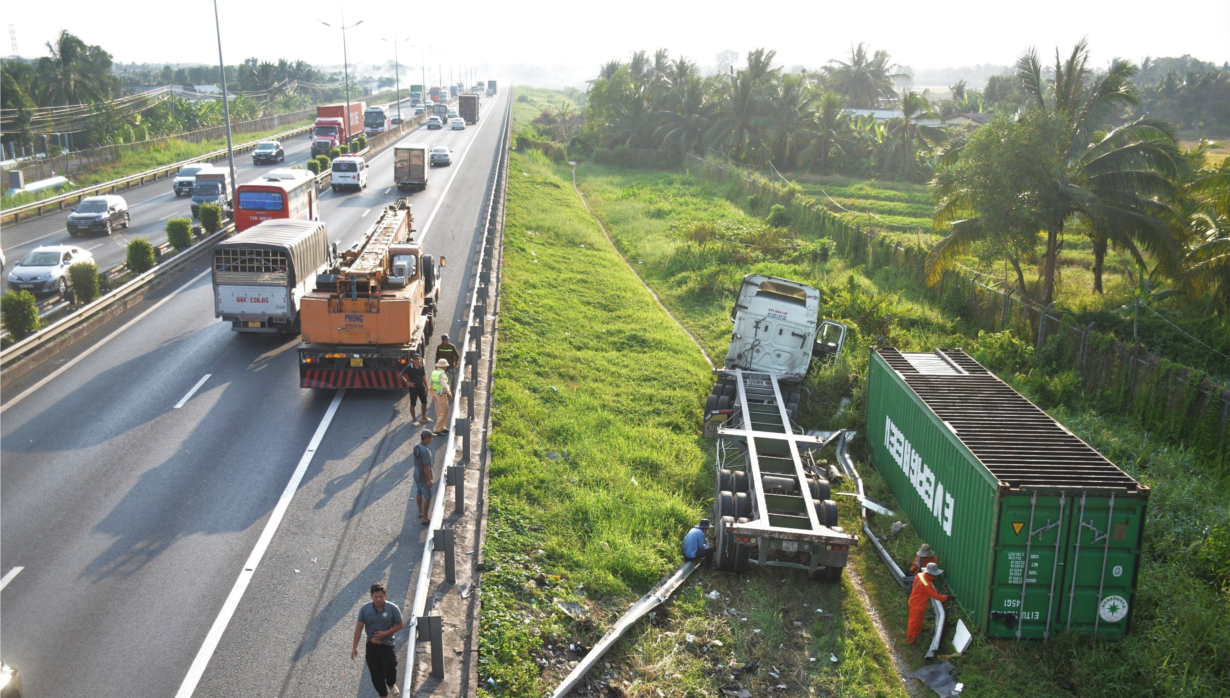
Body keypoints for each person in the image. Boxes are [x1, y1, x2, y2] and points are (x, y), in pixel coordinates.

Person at [351, 582, 405, 697]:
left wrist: (385, 633)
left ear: (385, 595)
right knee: (375, 672)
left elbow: (400, 624)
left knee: (390, 667)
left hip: (387, 644)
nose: (378, 599)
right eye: (375, 597)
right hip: (372, 646)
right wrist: (354, 647)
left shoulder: (392, 608)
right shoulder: (365, 609)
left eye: (381, 596)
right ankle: (383, 694)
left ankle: (391, 684)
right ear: (371, 596)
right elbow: (359, 629)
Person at [907, 562, 954, 644]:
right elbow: (936, 596)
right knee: (913, 622)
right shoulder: (926, 584)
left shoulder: (920, 575)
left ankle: (918, 632)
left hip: (915, 601)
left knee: (920, 619)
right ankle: (910, 639)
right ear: (933, 574)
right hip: (917, 605)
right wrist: (947, 597)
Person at [414, 430, 435, 525]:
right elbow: (426, 466)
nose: (432, 439)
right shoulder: (426, 451)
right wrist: (429, 480)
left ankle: (420, 511)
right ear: (426, 438)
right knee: (427, 497)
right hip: (423, 477)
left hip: (416, 474)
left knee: (418, 492)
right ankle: (425, 518)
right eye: (431, 437)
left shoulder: (416, 446)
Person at [401, 353, 428, 424]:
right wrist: (407, 382)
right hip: (413, 389)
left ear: (419, 360)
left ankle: (424, 417)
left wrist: (427, 387)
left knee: (424, 403)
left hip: (421, 388)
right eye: (415, 359)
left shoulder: (421, 367)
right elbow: (400, 375)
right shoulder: (409, 367)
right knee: (413, 404)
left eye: (417, 359)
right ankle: (414, 420)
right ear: (412, 360)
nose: (416, 361)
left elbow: (424, 378)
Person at [430, 358, 453, 435]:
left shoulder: (434, 372)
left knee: (439, 412)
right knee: (444, 412)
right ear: (444, 366)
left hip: (436, 394)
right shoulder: (442, 374)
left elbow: (431, 385)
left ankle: (442, 427)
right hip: (441, 395)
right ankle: (436, 429)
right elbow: (444, 385)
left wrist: (432, 394)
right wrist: (449, 393)